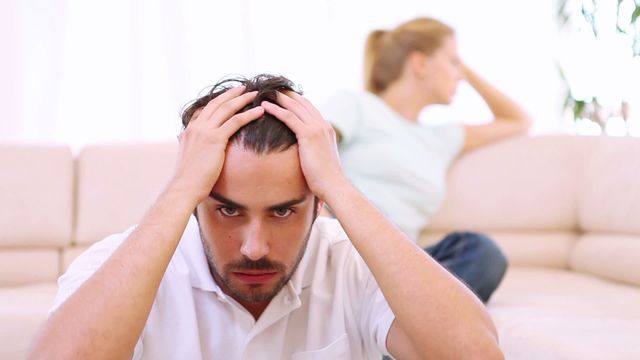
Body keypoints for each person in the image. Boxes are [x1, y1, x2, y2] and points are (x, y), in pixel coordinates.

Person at [29, 74, 502, 359]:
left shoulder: (347, 261)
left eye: (283, 211)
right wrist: (180, 189)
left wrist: (338, 187)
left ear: (316, 203)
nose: (254, 247)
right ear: (195, 198)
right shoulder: (116, 262)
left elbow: (476, 355)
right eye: (227, 209)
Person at [320, 17, 532, 303]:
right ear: (420, 64)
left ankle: (398, 327)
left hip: (402, 267)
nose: (458, 76)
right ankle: (404, 328)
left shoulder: (442, 138)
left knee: (482, 252)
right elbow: (305, 153)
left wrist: (464, 70)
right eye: (453, 62)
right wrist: (325, 232)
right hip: (345, 251)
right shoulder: (357, 105)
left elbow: (518, 120)